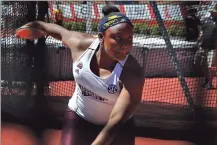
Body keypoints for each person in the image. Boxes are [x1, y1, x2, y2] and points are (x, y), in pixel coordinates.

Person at [17, 5, 144, 145]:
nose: (125, 45)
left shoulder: (133, 72)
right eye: (118, 38)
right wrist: (37, 26)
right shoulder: (81, 46)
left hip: (117, 129)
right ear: (101, 37)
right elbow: (58, 31)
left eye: (129, 38)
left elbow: (117, 119)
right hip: (79, 118)